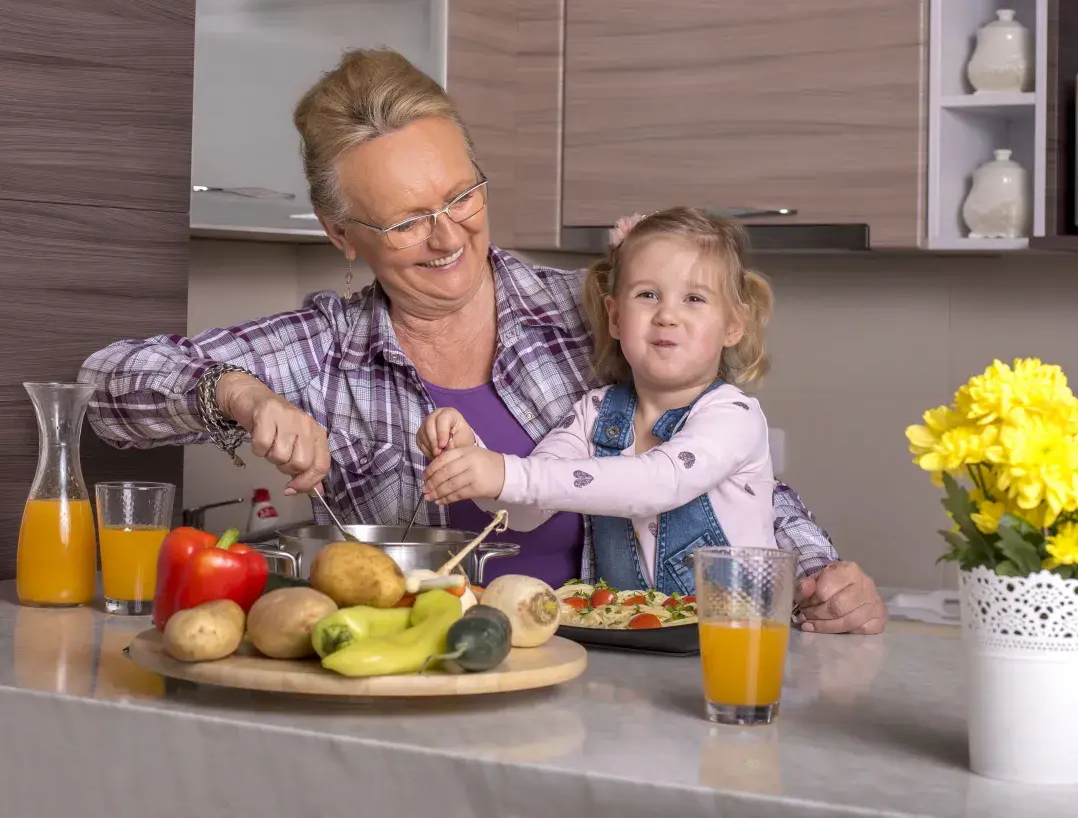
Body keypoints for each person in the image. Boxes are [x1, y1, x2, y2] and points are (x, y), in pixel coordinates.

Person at [78, 47, 885, 634]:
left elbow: (727, 479)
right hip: (414, 686)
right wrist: (237, 393)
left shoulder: (591, 310)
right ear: (342, 235)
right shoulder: (323, 349)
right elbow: (107, 387)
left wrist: (815, 570)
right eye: (404, 220)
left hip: (614, 676)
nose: (446, 236)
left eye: (461, 194)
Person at [417, 208, 777, 597]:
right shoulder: (595, 413)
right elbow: (526, 509)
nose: (667, 315)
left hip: (736, 642)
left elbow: (659, 482)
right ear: (616, 317)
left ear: (733, 325)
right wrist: (472, 459)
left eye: (694, 298)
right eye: (647, 294)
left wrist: (506, 472)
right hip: (631, 640)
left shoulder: (733, 417)